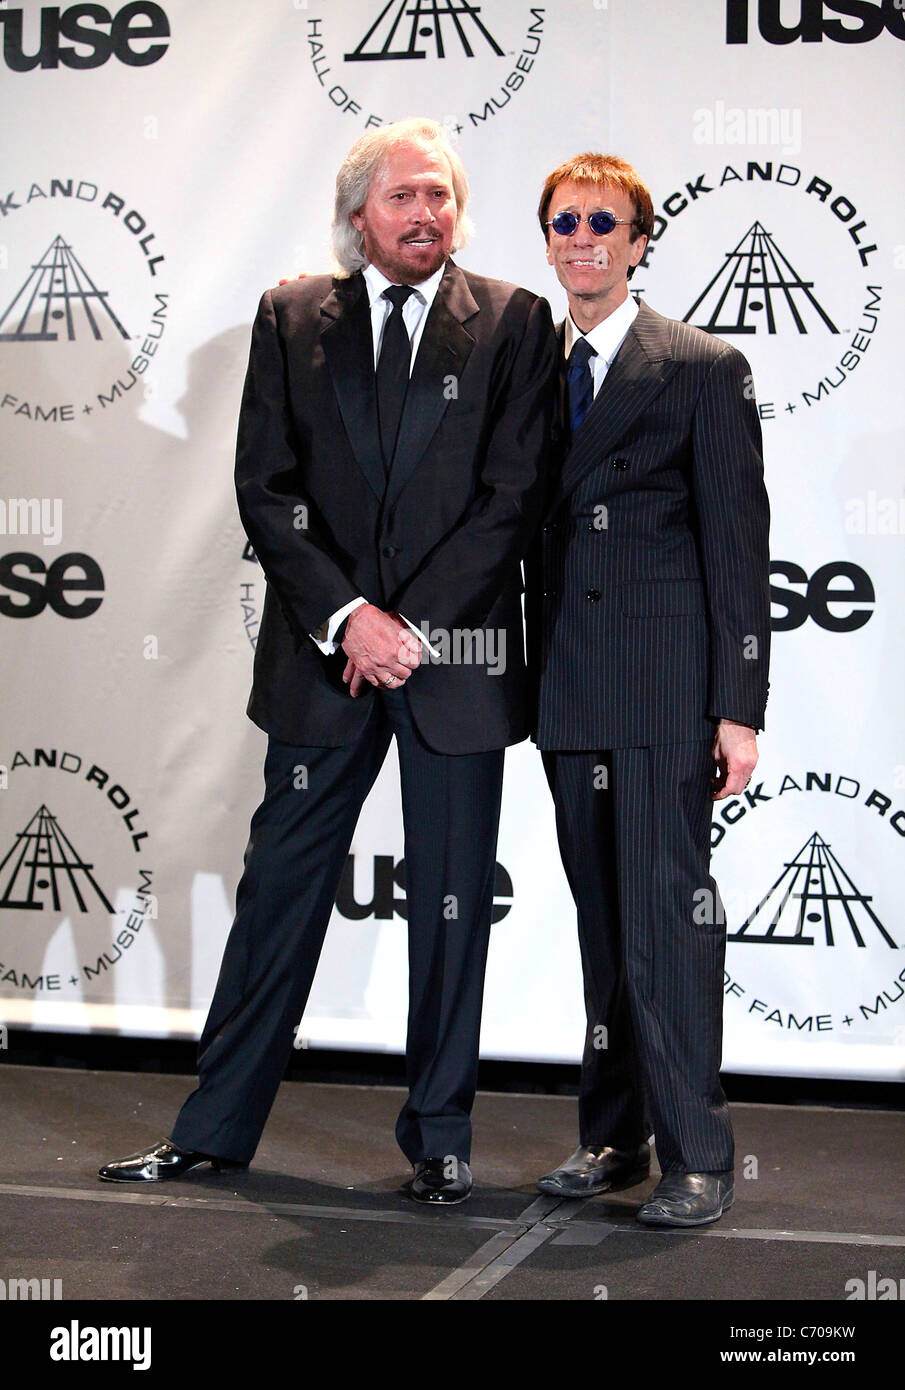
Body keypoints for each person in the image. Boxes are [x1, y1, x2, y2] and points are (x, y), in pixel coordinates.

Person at [98, 117, 557, 1205]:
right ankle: (213, 1130)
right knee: (279, 897)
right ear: (359, 217)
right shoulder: (291, 314)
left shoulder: (514, 321)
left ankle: (440, 1139)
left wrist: (407, 630)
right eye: (402, 196)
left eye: (440, 194)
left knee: (450, 903)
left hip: (453, 666)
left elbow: (513, 497)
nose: (425, 213)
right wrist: (349, 617)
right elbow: (267, 485)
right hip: (322, 662)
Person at [528, 153, 770, 1227]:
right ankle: (613, 1133)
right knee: (597, 924)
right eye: (563, 221)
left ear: (637, 241)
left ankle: (697, 1153)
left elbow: (737, 548)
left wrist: (738, 707)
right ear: (546, 239)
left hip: (664, 690)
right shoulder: (526, 368)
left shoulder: (699, 366)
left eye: (602, 222)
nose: (581, 238)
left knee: (663, 924)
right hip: (567, 688)